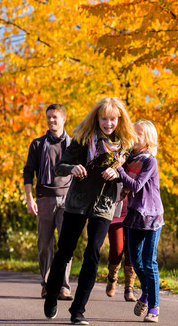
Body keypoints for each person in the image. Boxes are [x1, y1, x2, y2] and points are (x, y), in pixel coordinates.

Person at [43, 97, 137, 325]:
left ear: (119, 119)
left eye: (112, 119)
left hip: (104, 206)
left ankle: (78, 311)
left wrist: (118, 174)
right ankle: (52, 292)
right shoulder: (84, 139)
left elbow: (129, 173)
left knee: (92, 255)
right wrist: (73, 167)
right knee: (64, 251)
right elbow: (60, 166)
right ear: (97, 118)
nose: (108, 123)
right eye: (104, 118)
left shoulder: (126, 144)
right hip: (77, 202)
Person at [114, 120, 164, 323]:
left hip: (151, 216)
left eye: (139, 134)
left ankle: (154, 306)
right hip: (134, 214)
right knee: (135, 260)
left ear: (148, 139)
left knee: (149, 261)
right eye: (132, 133)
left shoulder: (150, 161)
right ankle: (146, 292)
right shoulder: (129, 158)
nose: (134, 137)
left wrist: (118, 168)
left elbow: (135, 185)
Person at [23, 103, 74, 301]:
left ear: (64, 119)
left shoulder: (73, 145)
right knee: (44, 244)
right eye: (49, 117)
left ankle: (63, 286)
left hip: (69, 200)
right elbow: (28, 173)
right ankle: (46, 284)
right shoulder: (37, 144)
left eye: (55, 117)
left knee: (66, 244)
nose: (51, 120)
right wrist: (29, 199)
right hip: (44, 198)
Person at [105, 196, 138, 302]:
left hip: (133, 215)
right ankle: (112, 277)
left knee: (131, 251)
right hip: (116, 215)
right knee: (116, 249)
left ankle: (129, 288)